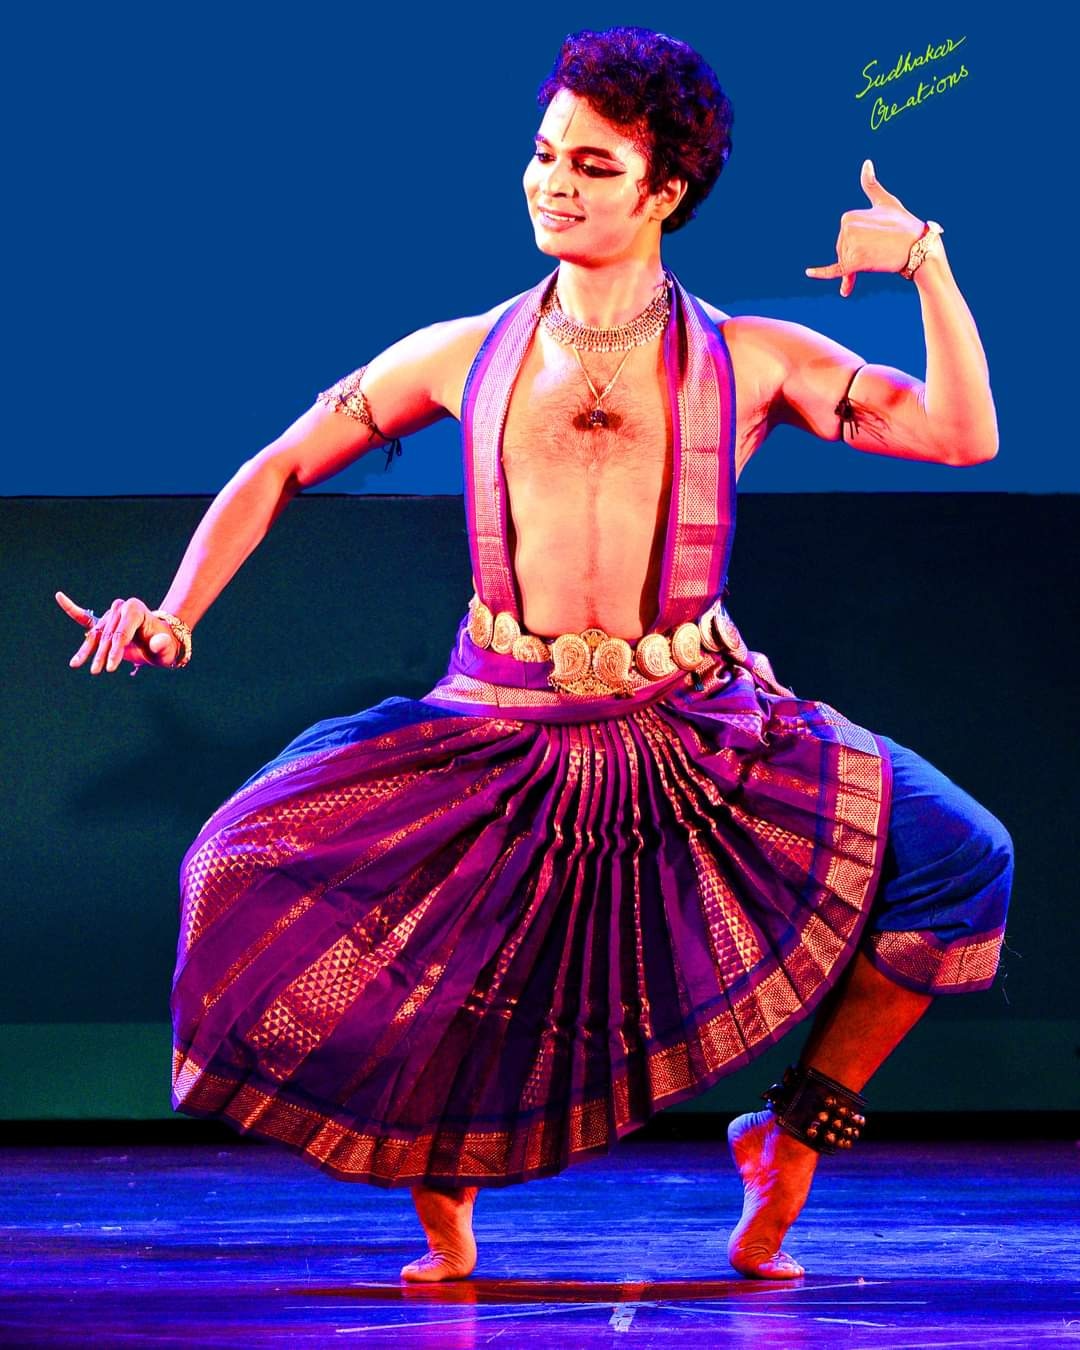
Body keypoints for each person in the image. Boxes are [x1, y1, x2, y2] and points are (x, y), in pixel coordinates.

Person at [57, 26, 1013, 1284]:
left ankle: (792, 1135)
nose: (552, 182)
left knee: (963, 861)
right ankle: (443, 1194)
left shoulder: (751, 359)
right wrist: (179, 611)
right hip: (502, 724)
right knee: (294, 880)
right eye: (544, 152)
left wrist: (928, 265)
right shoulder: (463, 353)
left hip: (697, 721)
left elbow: (960, 436)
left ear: (664, 191)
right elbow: (281, 461)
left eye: (593, 164)